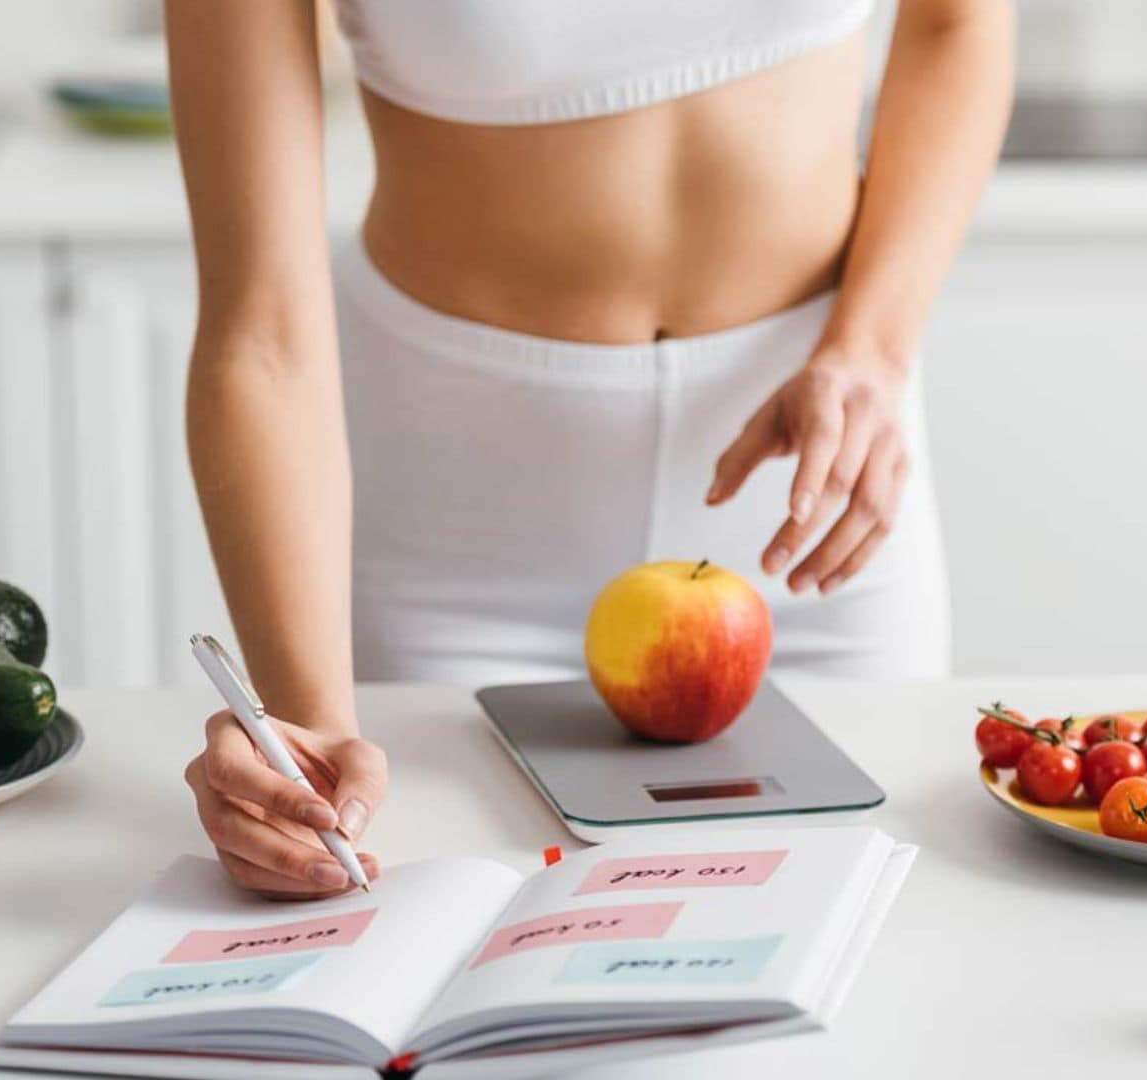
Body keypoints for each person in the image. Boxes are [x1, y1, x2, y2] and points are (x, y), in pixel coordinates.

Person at [168, 0, 1013, 898]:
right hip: (455, 531)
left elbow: (958, 24)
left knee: (865, 944)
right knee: (424, 959)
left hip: (814, 499)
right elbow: (260, 336)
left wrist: (873, 351)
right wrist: (306, 730)